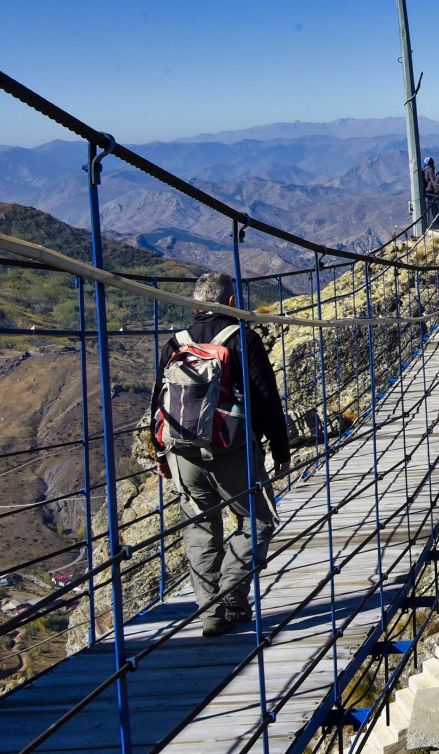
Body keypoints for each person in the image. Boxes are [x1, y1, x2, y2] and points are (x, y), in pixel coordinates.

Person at [151, 272, 289, 637]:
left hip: (181, 452)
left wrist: (160, 453)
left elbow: (158, 400)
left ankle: (211, 614)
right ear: (230, 303)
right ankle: (232, 593)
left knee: (200, 531)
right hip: (231, 452)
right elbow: (265, 400)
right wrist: (280, 449)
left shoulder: (175, 343)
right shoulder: (242, 337)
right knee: (258, 520)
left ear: (196, 305)